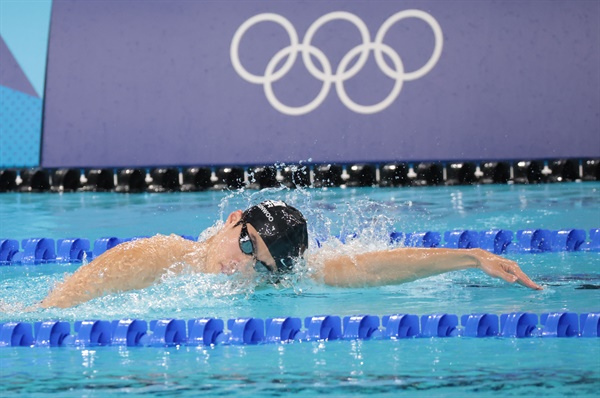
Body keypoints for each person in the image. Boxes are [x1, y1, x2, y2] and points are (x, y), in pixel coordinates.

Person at [39, 200, 542, 309]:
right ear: (234, 219)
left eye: (260, 263)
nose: (241, 265)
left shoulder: (286, 280)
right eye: (245, 244)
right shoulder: (157, 258)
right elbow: (54, 308)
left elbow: (371, 267)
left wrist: (471, 256)